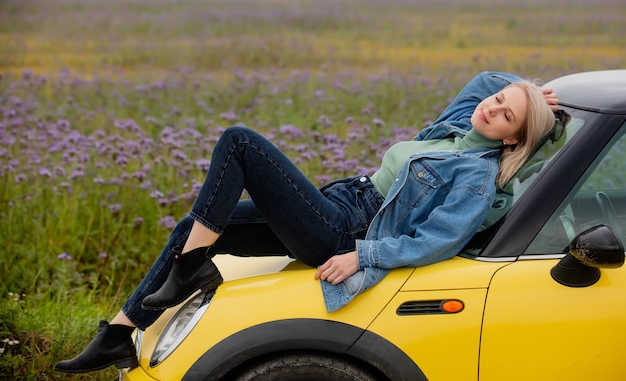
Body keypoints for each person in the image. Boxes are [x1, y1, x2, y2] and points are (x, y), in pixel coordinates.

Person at [54, 71, 558, 374]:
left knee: (240, 142)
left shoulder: (476, 173)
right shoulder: (456, 130)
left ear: (514, 139)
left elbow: (439, 239)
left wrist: (363, 254)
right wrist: (534, 93)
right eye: (498, 102)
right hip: (339, 201)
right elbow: (487, 81)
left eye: (507, 116)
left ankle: (189, 268)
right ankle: (120, 333)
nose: (492, 109)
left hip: (345, 229)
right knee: (194, 226)